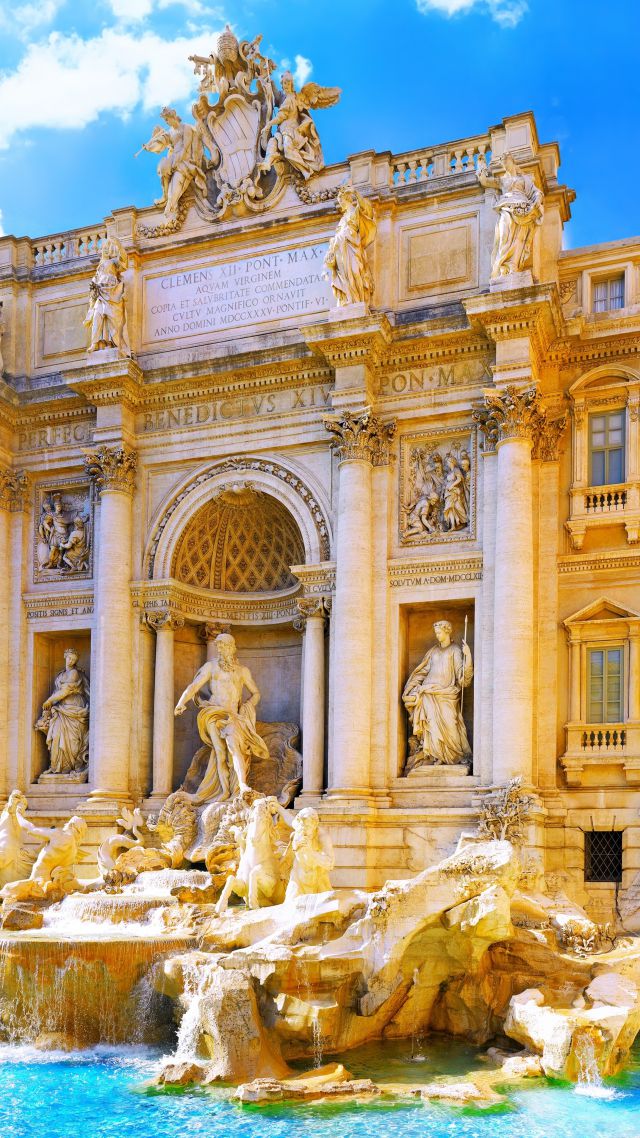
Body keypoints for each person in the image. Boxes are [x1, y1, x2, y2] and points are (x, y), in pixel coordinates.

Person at [174, 633, 269, 802]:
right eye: (218, 646)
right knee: (220, 752)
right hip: (213, 712)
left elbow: (256, 693)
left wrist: (247, 706)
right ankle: (225, 791)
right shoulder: (211, 667)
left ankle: (242, 785)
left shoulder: (242, 671)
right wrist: (182, 702)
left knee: (234, 747)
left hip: (233, 715)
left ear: (232, 648)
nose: (220, 649)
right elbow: (194, 686)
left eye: (223, 646)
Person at [402, 621, 473, 768]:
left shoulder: (455, 651)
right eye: (436, 633)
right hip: (428, 693)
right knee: (431, 724)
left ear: (447, 632)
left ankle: (454, 756)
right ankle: (436, 756)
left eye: (439, 632)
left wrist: (468, 658)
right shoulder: (433, 651)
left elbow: (462, 678)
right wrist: (412, 686)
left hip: (447, 695)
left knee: (450, 724)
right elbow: (422, 671)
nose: (437, 635)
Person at [479, 152, 544, 278]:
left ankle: (512, 265)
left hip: (522, 209)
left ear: (512, 161)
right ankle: (502, 265)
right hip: (506, 207)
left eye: (506, 162)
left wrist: (537, 199)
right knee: (503, 235)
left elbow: (536, 192)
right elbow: (484, 181)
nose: (505, 165)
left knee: (519, 238)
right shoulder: (502, 180)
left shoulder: (524, 179)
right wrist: (481, 165)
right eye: (502, 163)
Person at [35, 648, 90, 775]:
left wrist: (49, 701)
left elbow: (67, 691)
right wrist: (50, 707)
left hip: (74, 708)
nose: (71, 661)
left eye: (74, 659)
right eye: (69, 658)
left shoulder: (74, 673)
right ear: (65, 657)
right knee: (56, 736)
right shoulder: (60, 675)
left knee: (72, 740)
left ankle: (71, 767)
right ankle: (56, 766)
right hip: (61, 709)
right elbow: (57, 692)